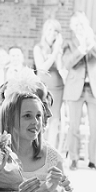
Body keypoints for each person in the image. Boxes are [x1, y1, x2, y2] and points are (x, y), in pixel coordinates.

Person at [62, 12, 96, 171]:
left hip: (95, 88)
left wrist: (91, 45)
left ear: (87, 23)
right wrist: (81, 49)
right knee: (73, 126)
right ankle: (73, 159)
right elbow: (67, 64)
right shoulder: (70, 43)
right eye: (76, 25)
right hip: (75, 88)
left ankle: (95, 160)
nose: (79, 27)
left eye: (81, 24)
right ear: (72, 28)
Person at [34, 19, 65, 150]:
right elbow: (42, 68)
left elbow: (61, 68)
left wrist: (57, 51)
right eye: (50, 30)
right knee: (41, 116)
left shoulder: (59, 49)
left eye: (56, 31)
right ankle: (39, 147)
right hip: (42, 87)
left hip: (58, 86)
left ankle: (51, 149)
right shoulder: (38, 48)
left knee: (55, 119)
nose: (52, 33)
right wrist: (54, 53)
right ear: (45, 31)